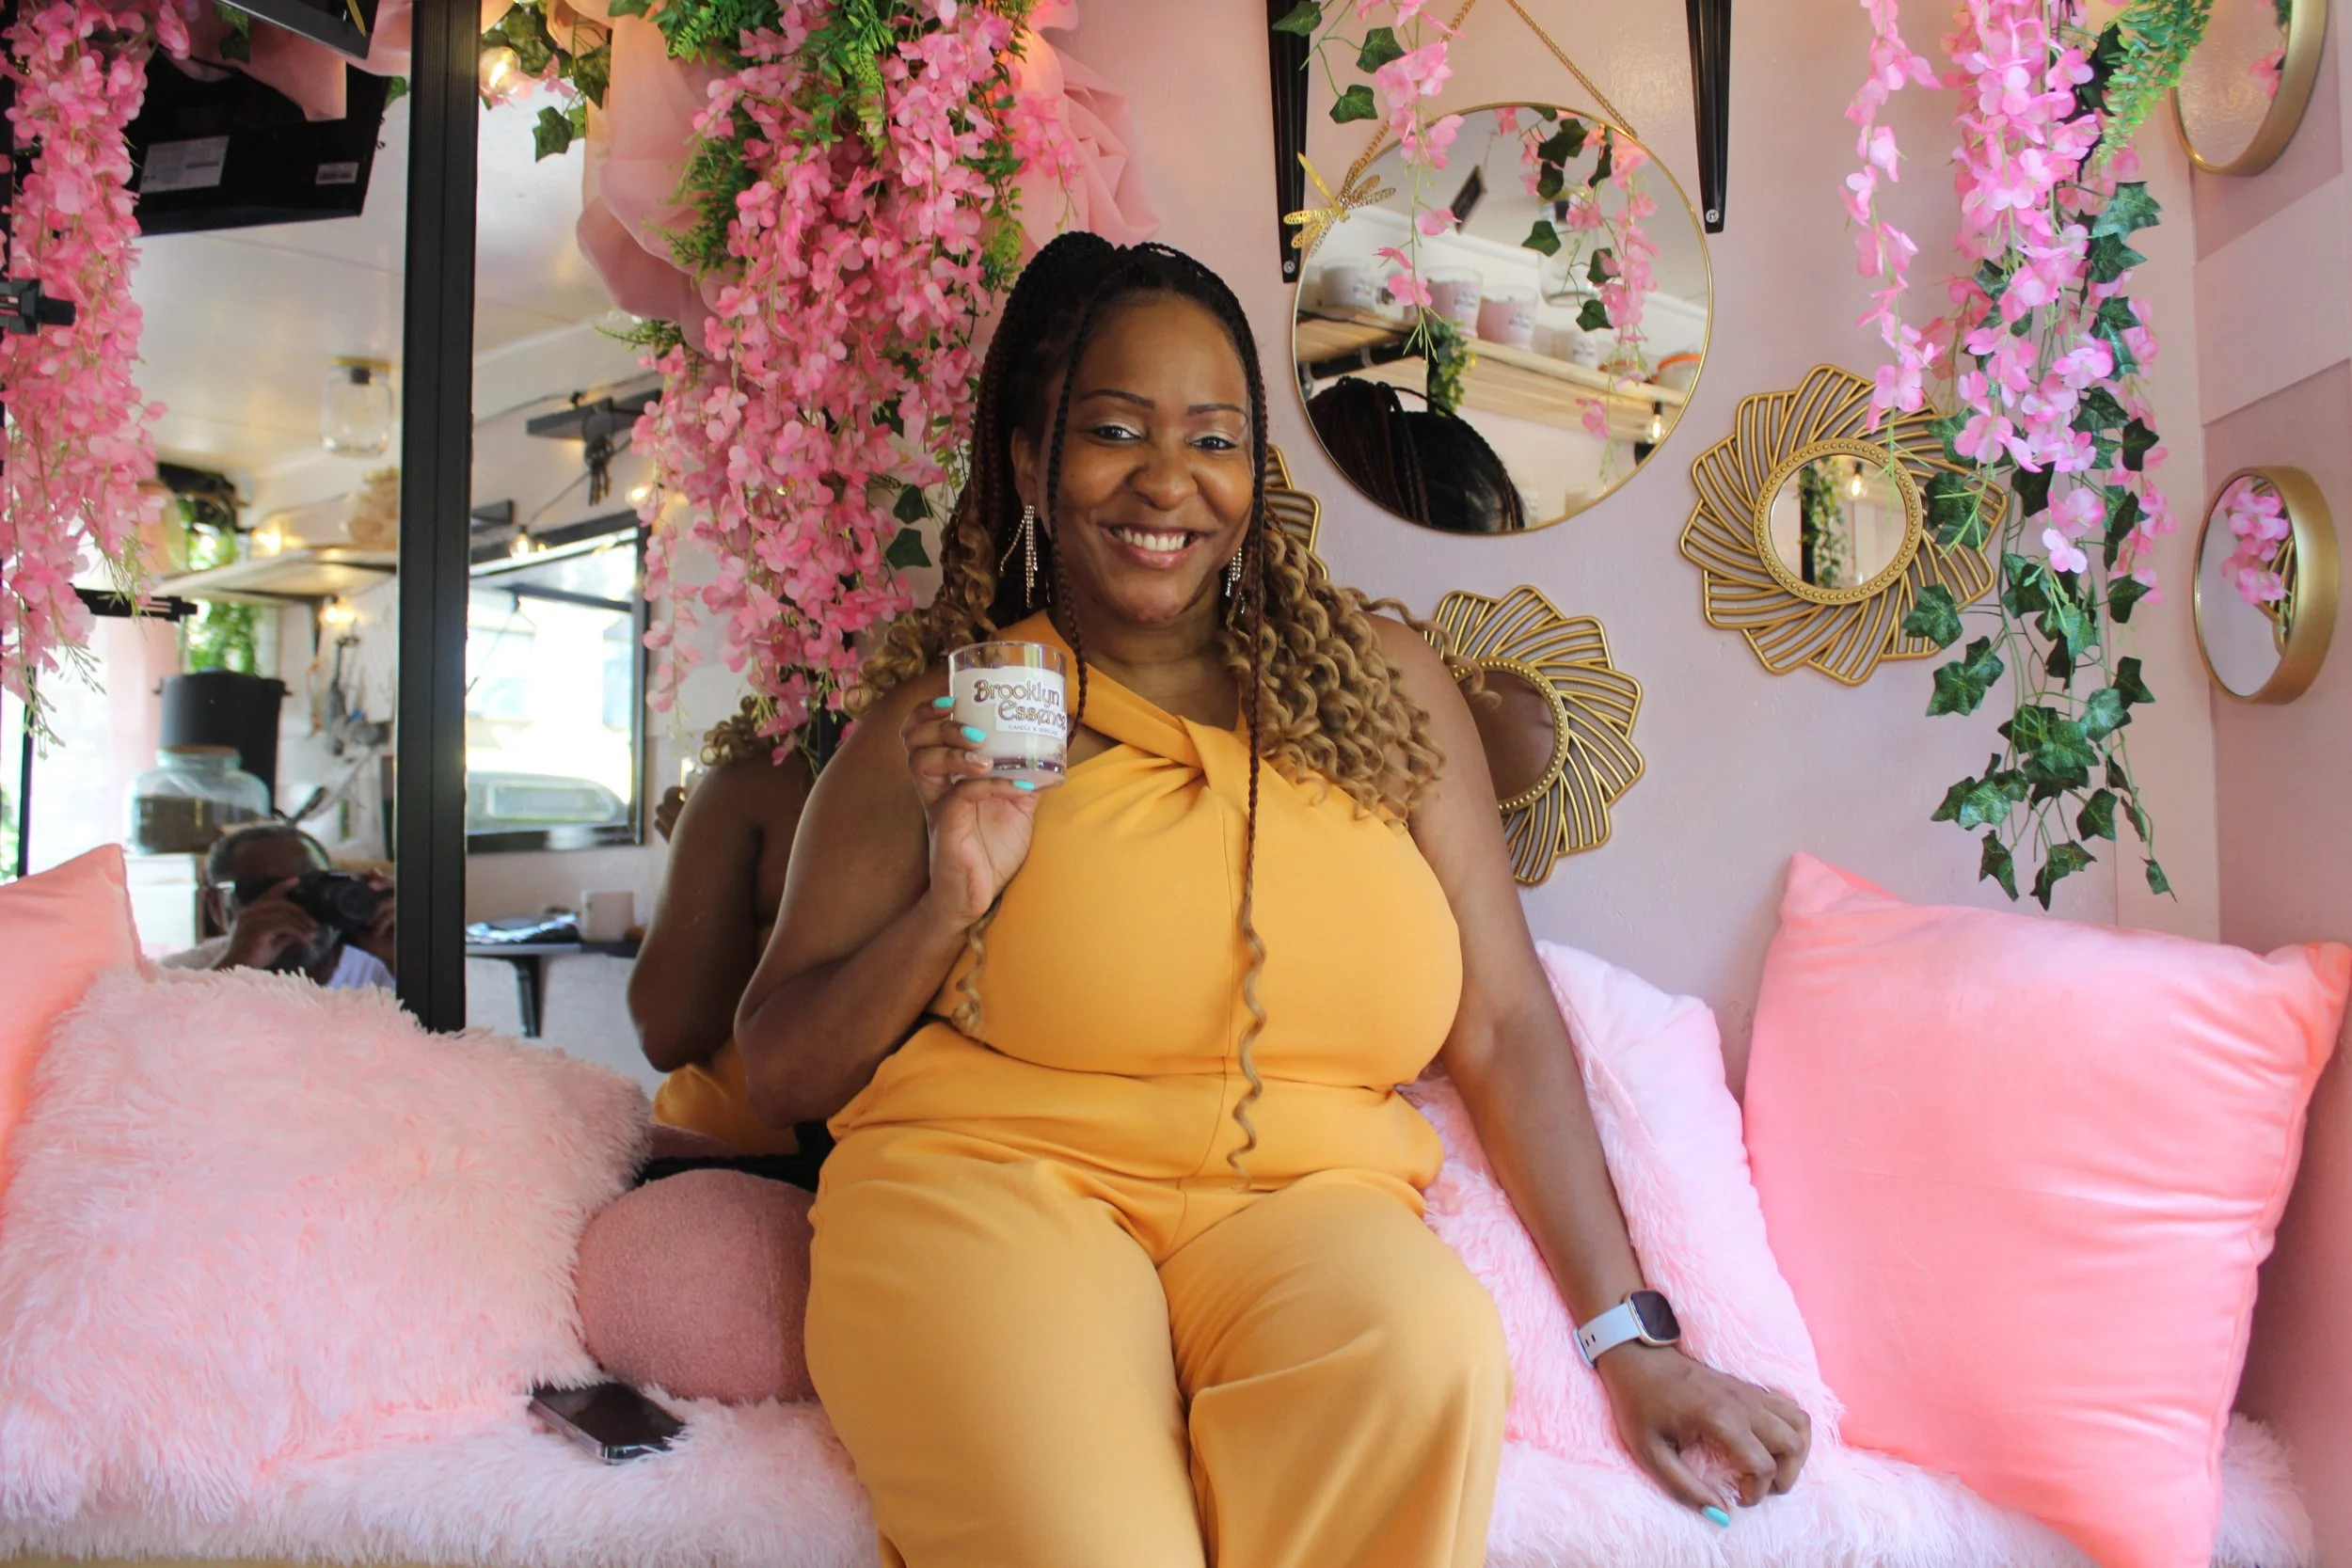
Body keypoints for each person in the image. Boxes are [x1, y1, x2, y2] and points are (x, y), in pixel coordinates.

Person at [733, 235, 1808, 1568]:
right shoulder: (949, 721)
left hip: (1308, 1208)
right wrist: (948, 901)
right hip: (993, 1190)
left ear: (1256, 466)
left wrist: (1633, 1340)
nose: (1167, 480)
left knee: (1425, 1348)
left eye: (1213, 437)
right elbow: (777, 1061)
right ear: (1029, 459)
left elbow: (1506, 1024)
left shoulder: (1389, 691)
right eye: (1114, 430)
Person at [629, 698, 816, 1156]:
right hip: (916, 1163)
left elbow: (669, 1034)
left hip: (731, 1155)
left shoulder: (762, 779)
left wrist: (698, 854)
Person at [163, 822, 395, 991]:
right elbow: (156, 1048)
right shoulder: (177, 977)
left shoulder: (381, 968)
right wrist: (236, 965)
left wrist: (410, 960)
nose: (298, 908)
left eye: (313, 888)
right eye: (266, 891)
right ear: (216, 905)